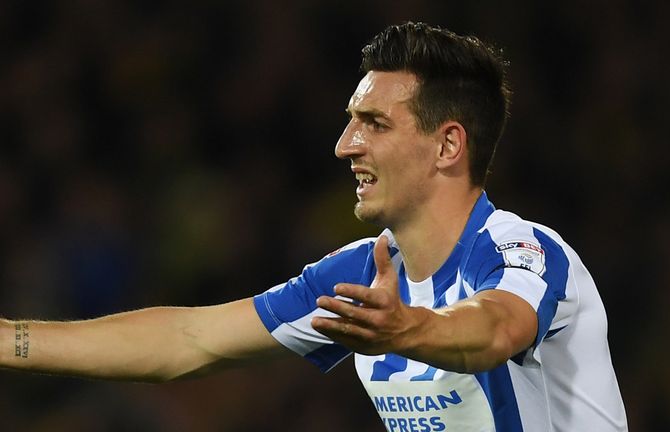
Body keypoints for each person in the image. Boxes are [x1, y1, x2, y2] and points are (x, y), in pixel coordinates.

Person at [1, 22, 627, 431]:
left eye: (373, 123)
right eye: (351, 121)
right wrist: (10, 342)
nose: (343, 145)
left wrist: (408, 329)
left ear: (447, 146)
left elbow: (497, 328)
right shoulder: (363, 272)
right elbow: (190, 339)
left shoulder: (526, 250)